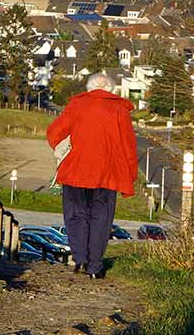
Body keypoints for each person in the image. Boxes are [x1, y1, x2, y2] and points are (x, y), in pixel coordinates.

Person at [47, 72, 137, 279]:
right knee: (101, 220)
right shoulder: (119, 110)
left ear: (89, 88)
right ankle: (95, 267)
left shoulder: (77, 106)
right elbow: (129, 146)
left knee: (75, 215)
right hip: (108, 174)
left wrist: (63, 149)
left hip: (75, 171)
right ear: (110, 90)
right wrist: (130, 175)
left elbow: (54, 132)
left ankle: (80, 259)